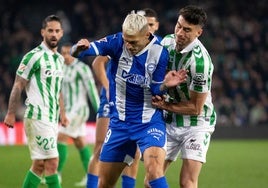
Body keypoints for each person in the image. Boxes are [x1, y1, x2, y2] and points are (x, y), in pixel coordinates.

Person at [71, 12, 188, 188]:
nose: (128, 45)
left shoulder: (159, 53)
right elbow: (79, 53)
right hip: (120, 124)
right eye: (126, 39)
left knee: (155, 171)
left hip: (149, 124)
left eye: (133, 41)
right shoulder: (117, 41)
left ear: (147, 35)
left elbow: (156, 89)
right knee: (105, 184)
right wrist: (78, 49)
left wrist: (165, 84)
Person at [87, 8, 163, 188]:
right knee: (100, 148)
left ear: (154, 27)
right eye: (146, 23)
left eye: (151, 24)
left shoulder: (158, 48)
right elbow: (98, 61)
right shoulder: (123, 41)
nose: (149, 28)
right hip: (113, 99)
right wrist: (106, 87)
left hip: (137, 107)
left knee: (134, 154)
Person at [151, 5, 217, 188]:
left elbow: (195, 108)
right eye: (178, 26)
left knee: (187, 183)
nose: (180, 33)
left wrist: (164, 105)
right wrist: (163, 83)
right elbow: (155, 80)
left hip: (197, 123)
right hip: (170, 120)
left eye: (187, 30)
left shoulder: (200, 63)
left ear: (199, 32)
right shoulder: (166, 43)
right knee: (151, 181)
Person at [4, 15, 67, 188]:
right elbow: (18, 84)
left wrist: (62, 113)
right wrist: (10, 113)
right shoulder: (34, 56)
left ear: (61, 33)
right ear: (43, 32)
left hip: (52, 119)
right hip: (37, 116)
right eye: (50, 30)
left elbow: (58, 89)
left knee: (39, 166)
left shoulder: (60, 60)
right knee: (52, 163)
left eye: (57, 31)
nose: (53, 34)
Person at [56, 43, 100, 186]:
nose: (65, 56)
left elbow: (92, 91)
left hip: (79, 110)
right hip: (68, 110)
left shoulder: (82, 69)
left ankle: (56, 174)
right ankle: (91, 175)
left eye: (68, 53)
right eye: (63, 53)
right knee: (80, 142)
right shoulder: (61, 68)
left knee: (61, 136)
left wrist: (100, 112)